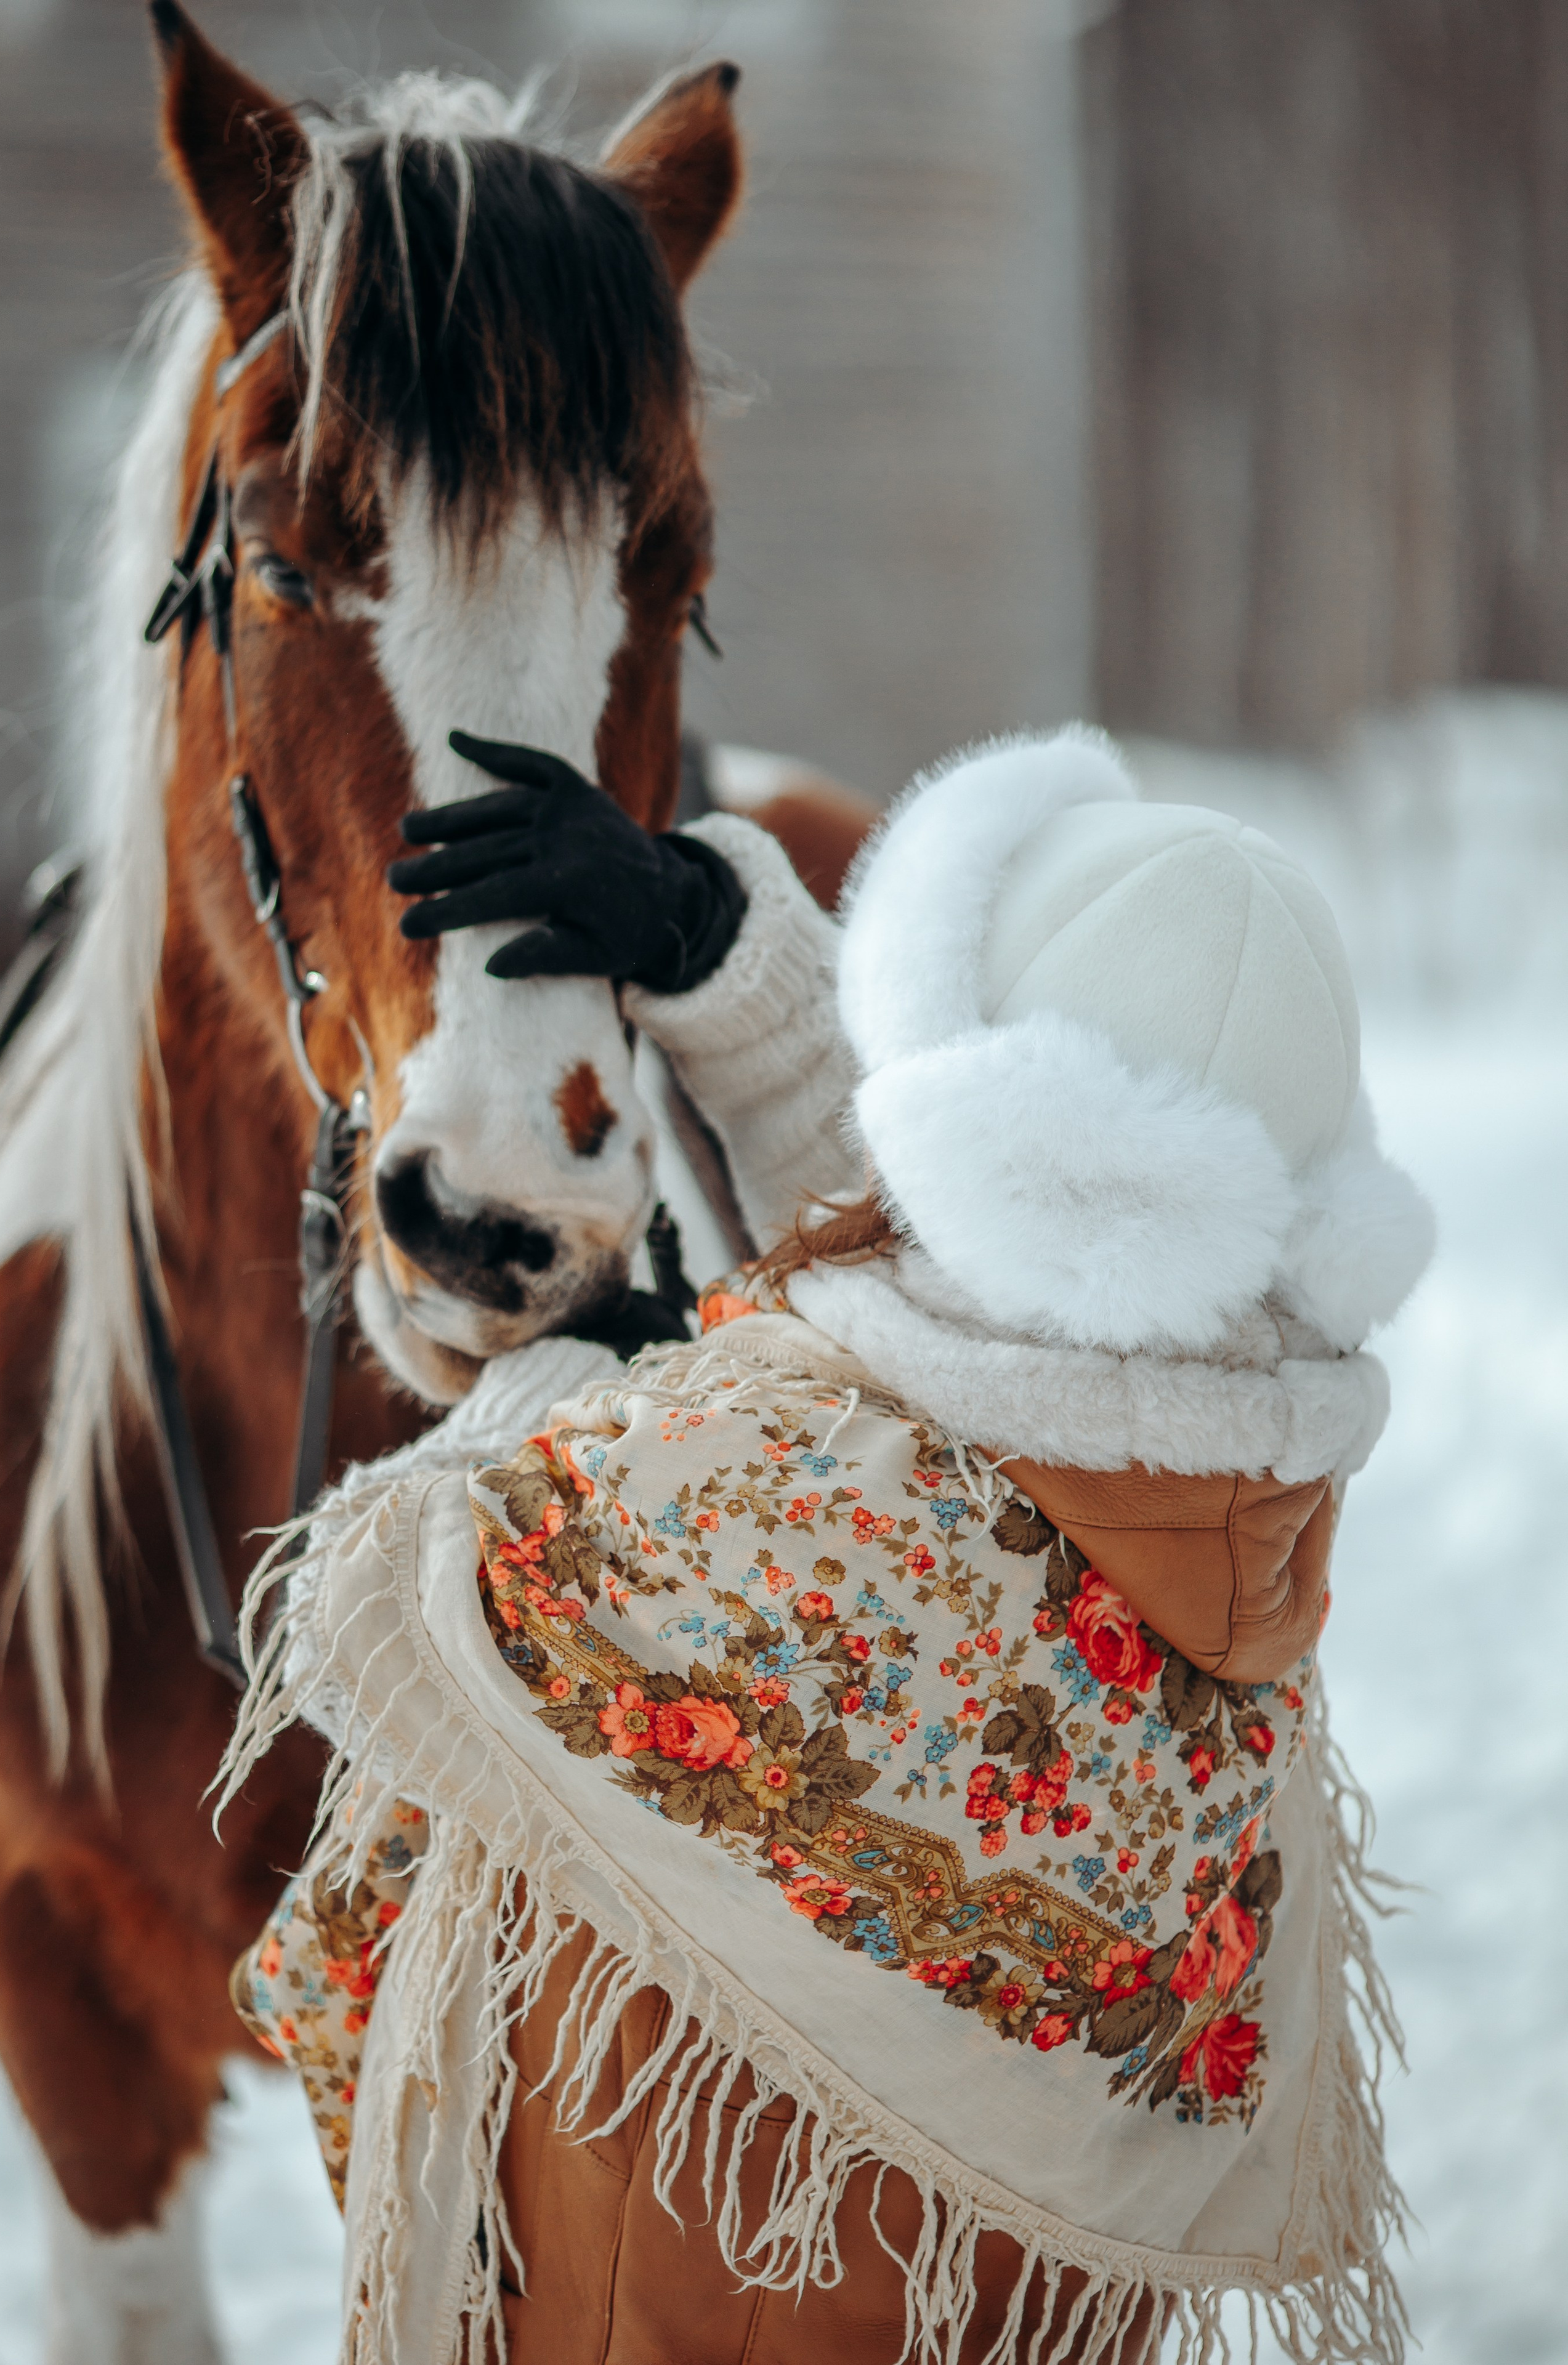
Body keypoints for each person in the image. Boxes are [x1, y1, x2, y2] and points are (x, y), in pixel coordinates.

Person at [225, 727, 1431, 2365]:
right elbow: (974, 1291)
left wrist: (562, 1395)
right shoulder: (1223, 1531)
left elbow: (370, 1607)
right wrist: (722, 955)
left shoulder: (739, 1506)